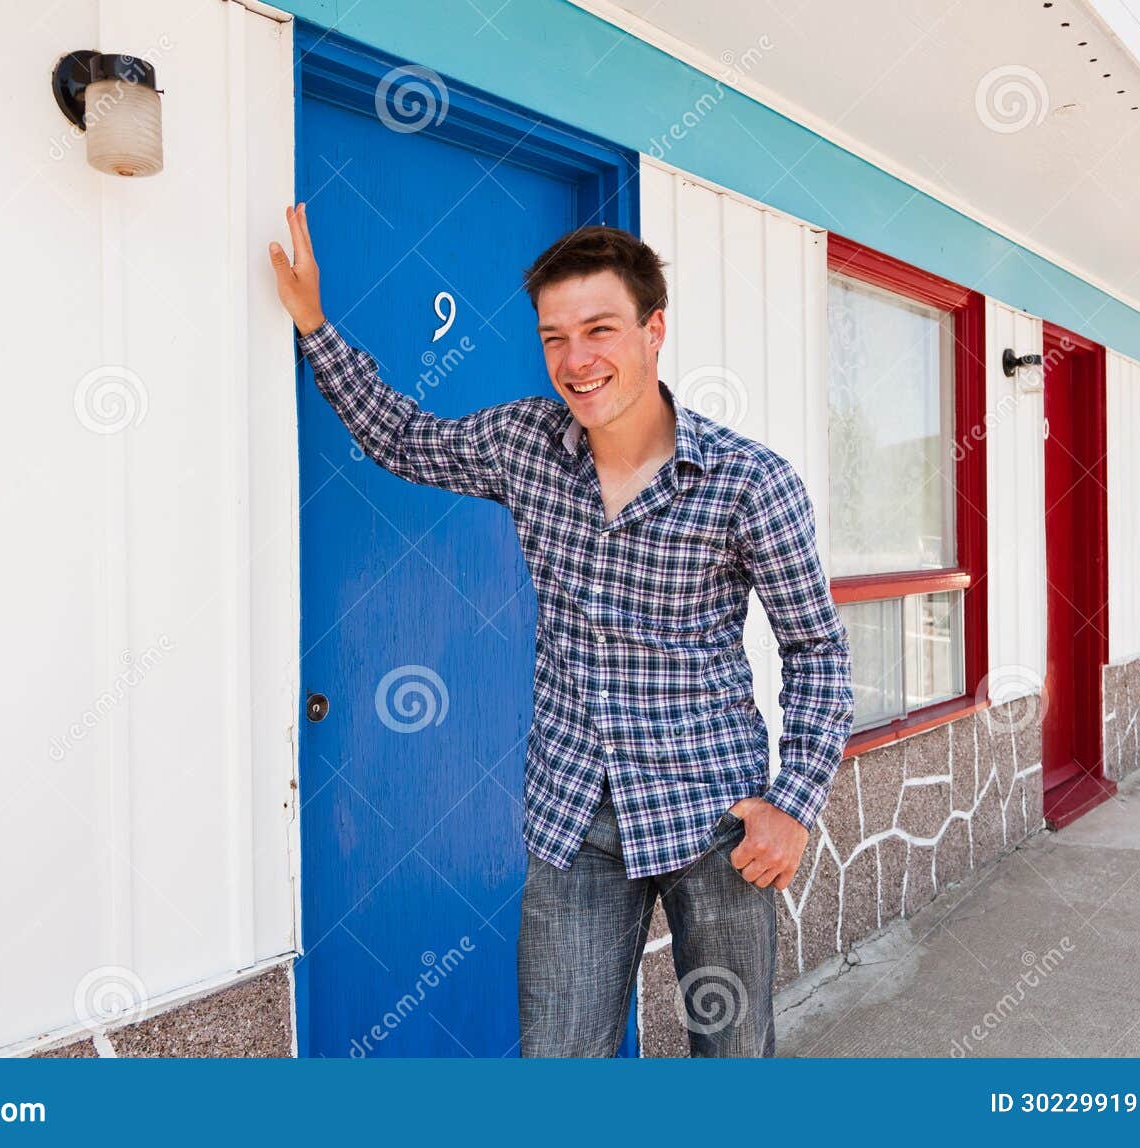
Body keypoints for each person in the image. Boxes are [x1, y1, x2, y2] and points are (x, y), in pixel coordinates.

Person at [268, 203, 854, 1057]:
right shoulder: (524, 445)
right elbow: (402, 438)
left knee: (732, 1061)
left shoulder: (750, 483)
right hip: (576, 820)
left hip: (716, 818)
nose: (576, 361)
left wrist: (793, 805)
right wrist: (315, 325)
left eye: (600, 329)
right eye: (554, 338)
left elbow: (816, 650)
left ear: (655, 331)